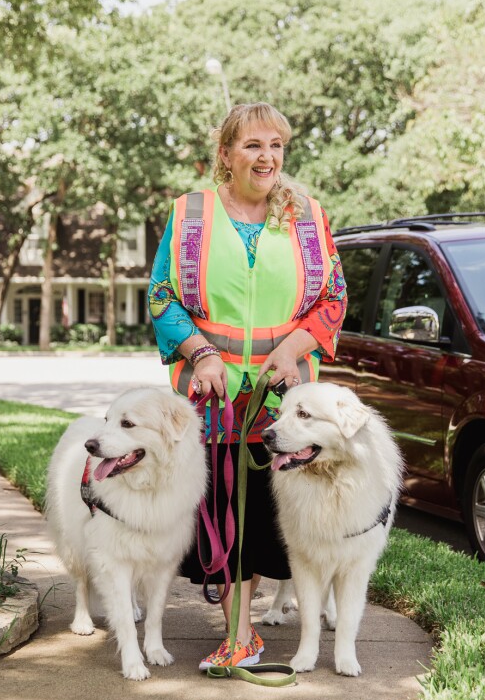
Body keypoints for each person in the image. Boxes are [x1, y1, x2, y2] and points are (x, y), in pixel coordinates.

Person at [147, 102, 347, 670]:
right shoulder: (189, 214)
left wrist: (293, 348)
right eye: (254, 145)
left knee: (265, 515)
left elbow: (334, 298)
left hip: (285, 402)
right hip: (213, 399)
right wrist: (201, 353)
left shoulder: (309, 216)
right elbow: (162, 296)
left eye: (277, 146)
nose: (267, 157)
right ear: (226, 154)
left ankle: (273, 624)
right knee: (224, 511)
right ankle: (240, 634)